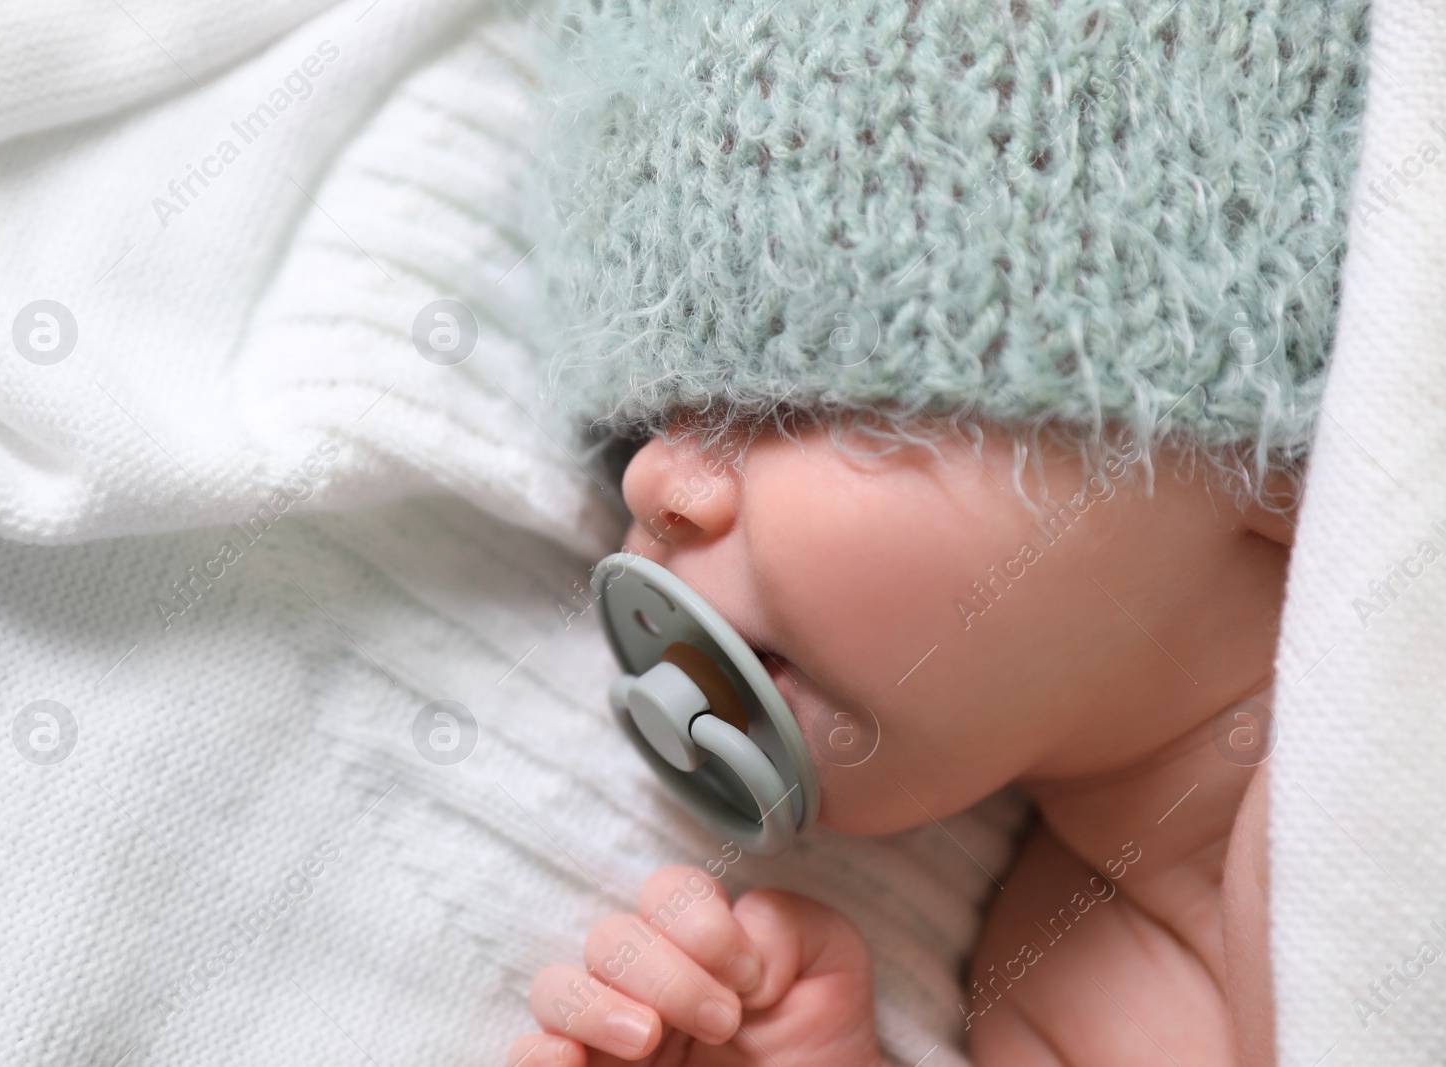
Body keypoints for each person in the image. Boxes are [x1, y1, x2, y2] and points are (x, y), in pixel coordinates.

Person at [508, 0, 1369, 1061]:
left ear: (1277, 455)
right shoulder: (1066, 978)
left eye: (788, 400)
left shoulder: (1380, 727)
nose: (650, 483)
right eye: (637, 426)